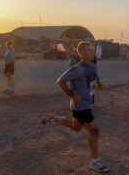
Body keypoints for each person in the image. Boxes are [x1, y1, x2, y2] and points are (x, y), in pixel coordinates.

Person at [42, 41, 109, 173]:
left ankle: (53, 118)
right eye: (89, 51)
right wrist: (71, 94)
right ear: (82, 53)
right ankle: (95, 162)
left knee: (76, 127)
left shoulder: (93, 65)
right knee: (95, 130)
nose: (93, 53)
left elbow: (95, 76)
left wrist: (98, 83)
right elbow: (60, 81)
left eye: (92, 50)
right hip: (80, 105)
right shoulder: (77, 69)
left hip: (88, 103)